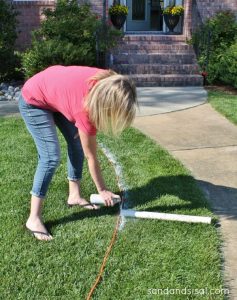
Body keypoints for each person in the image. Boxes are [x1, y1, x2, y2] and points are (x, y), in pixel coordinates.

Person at [18, 65, 138, 241]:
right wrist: (102, 190)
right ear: (105, 104)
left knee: (76, 143)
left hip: (54, 94)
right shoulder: (85, 110)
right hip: (33, 99)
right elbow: (91, 156)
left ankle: (74, 196)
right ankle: (33, 218)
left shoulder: (108, 80)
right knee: (50, 157)